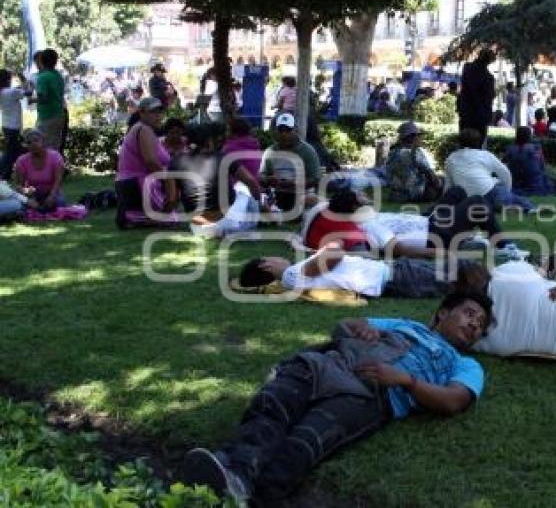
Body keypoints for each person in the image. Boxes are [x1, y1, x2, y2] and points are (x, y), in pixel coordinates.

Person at [178, 291, 493, 503]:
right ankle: (235, 470)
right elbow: (345, 325)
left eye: (479, 325)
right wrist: (361, 329)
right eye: (469, 314)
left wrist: (406, 381)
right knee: (274, 403)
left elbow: (454, 400)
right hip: (330, 363)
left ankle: (250, 492)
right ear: (442, 313)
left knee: (306, 441)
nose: (474, 324)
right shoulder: (405, 324)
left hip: (370, 394)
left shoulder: (465, 364)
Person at [305, 188, 509, 257]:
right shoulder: (368, 226)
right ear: (353, 206)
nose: (364, 194)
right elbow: (398, 249)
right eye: (360, 195)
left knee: (457, 192)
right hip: (435, 234)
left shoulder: (360, 215)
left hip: (425, 220)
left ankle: (467, 238)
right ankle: (503, 246)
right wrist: (443, 253)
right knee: (478, 203)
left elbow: (315, 200)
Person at [253, 242, 490, 299]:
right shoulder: (291, 275)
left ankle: (496, 282)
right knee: (461, 274)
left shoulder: (294, 275)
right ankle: (499, 285)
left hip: (394, 274)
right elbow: (335, 253)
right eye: (269, 257)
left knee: (457, 274)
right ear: (266, 265)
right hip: (395, 277)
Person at [168, 124, 263, 237]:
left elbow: (172, 199)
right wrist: (259, 204)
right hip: (226, 223)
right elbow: (251, 181)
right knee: (243, 188)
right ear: (209, 141)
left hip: (197, 228)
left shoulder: (176, 161)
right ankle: (243, 226)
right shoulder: (223, 158)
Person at [444, 128, 536, 213]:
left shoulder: (451, 158)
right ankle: (528, 207)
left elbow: (448, 185)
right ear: (479, 142)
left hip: (467, 200)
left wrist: (446, 200)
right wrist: (507, 190)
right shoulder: (485, 155)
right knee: (513, 197)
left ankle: (497, 205)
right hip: (490, 193)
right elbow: (505, 173)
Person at [115, 97, 173, 228]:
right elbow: (151, 162)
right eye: (153, 112)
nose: (158, 116)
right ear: (142, 113)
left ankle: (134, 216)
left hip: (132, 184)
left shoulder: (143, 129)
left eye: (160, 112)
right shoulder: (143, 130)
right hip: (139, 184)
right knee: (172, 218)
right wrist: (169, 181)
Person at [260, 112, 322, 213]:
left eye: (288, 130)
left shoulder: (307, 151)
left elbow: (315, 179)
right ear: (276, 131)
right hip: (277, 193)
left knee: (313, 200)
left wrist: (293, 184)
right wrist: (268, 179)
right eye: (281, 130)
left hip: (301, 194)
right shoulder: (270, 151)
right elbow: (261, 176)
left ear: (295, 130)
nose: (284, 134)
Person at [384, 121, 442, 203]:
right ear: (411, 137)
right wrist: (438, 184)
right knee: (441, 181)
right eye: (417, 135)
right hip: (415, 193)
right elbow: (429, 173)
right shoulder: (414, 153)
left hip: (396, 193)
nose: (419, 138)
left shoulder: (393, 152)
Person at [13, 130, 65, 212]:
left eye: (36, 140)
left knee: (60, 203)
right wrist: (26, 193)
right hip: (32, 195)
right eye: (29, 142)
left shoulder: (55, 157)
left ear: (43, 142)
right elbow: (19, 185)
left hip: (51, 192)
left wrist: (52, 196)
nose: (33, 144)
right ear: (26, 145)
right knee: (20, 206)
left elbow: (58, 180)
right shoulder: (21, 160)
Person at [502, 126, 555, 196]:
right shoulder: (536, 148)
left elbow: (503, 164)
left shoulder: (510, 149)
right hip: (534, 183)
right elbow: (542, 166)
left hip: (516, 182)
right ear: (529, 136)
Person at [457, 49, 496, 145]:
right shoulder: (488, 78)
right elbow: (488, 98)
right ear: (489, 61)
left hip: (465, 113)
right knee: (477, 145)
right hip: (480, 116)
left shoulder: (467, 68)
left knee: (464, 143)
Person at [0, 69, 32, 179]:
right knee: (11, 152)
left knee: (11, 151)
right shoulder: (11, 92)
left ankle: (6, 173)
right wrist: (24, 79)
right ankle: (3, 173)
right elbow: (29, 92)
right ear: (7, 80)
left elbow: (18, 90)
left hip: (6, 125)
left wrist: (23, 83)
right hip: (14, 126)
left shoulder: (4, 92)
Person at [34, 49, 65, 151]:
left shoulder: (43, 77)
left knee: (41, 146)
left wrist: (32, 99)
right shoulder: (58, 75)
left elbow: (43, 98)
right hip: (59, 114)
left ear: (41, 61)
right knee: (54, 147)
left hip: (46, 116)